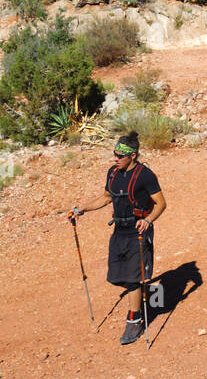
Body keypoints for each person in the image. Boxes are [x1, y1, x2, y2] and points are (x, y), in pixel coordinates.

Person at [67, 132, 167, 345]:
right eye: (114, 154)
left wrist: (148, 220)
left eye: (120, 156)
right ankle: (142, 294)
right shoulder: (113, 173)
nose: (115, 159)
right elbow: (105, 198)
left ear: (132, 155)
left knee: (132, 279)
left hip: (138, 230)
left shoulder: (145, 175)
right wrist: (81, 209)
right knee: (116, 277)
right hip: (119, 231)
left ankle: (135, 320)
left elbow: (161, 203)